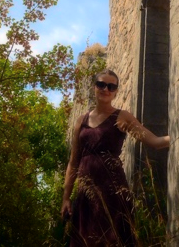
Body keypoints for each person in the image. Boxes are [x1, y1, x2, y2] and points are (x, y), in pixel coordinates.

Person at [61, 69, 170, 246]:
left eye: (111, 87)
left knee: (113, 238)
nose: (106, 89)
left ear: (116, 91)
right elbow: (73, 162)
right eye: (101, 84)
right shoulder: (81, 121)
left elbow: (154, 141)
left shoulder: (122, 117)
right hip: (86, 193)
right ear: (94, 87)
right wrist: (66, 198)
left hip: (112, 189)